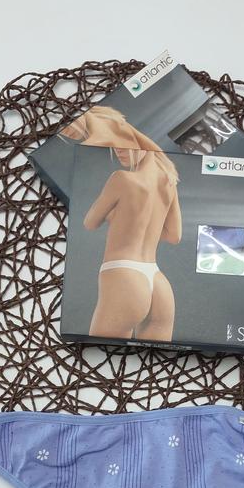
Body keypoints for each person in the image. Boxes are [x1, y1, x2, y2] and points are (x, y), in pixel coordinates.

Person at [76, 110, 181, 341]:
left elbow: (90, 222)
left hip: (124, 276)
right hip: (158, 282)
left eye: (124, 143)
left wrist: (118, 217)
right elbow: (174, 235)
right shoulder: (169, 184)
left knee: (96, 356)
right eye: (114, 147)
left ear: (141, 140)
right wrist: (137, 225)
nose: (119, 150)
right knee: (156, 363)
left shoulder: (121, 179)